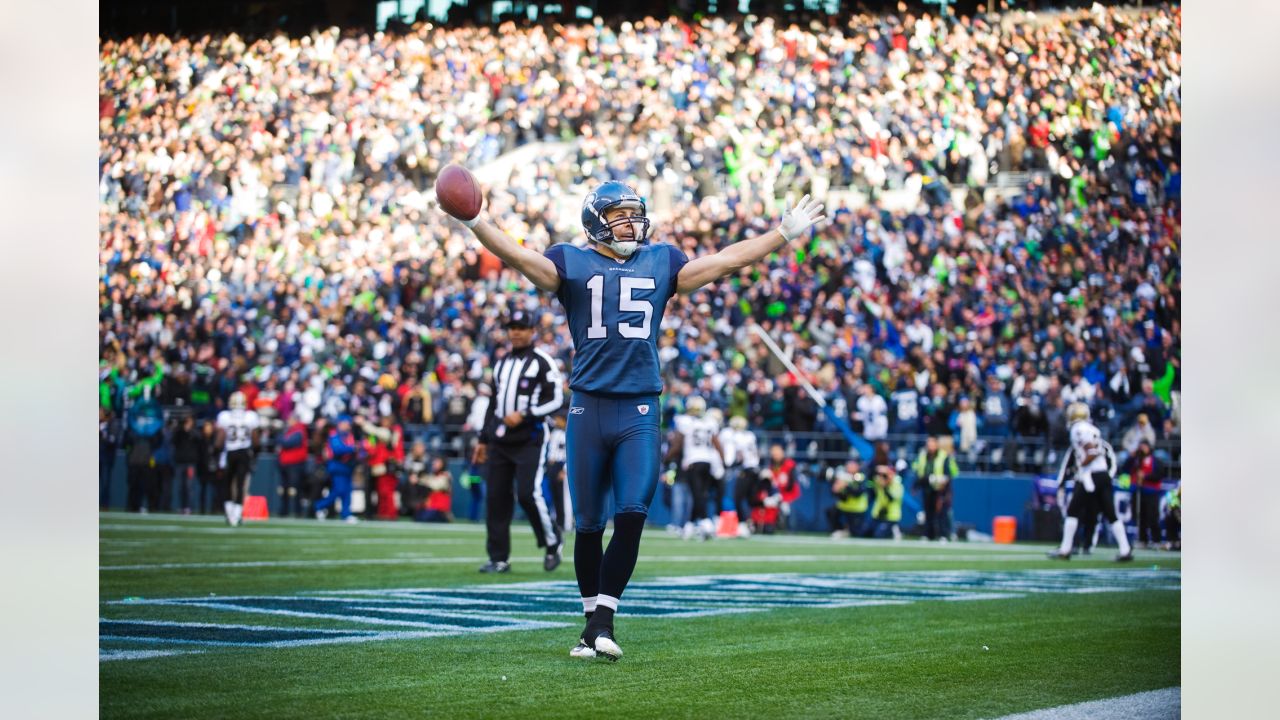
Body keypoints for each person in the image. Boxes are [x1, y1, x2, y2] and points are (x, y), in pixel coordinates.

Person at [451, 179, 824, 661]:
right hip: (588, 405)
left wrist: (780, 235)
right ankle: (591, 624)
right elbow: (522, 259)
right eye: (619, 215)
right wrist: (477, 221)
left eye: (634, 213)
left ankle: (604, 621)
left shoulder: (661, 260)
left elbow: (725, 261)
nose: (631, 222)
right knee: (587, 525)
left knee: (632, 514)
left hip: (640, 406)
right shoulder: (570, 260)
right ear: (594, 221)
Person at [473, 309, 566, 574]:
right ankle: (499, 558)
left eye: (521, 327)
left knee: (528, 494)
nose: (515, 332)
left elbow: (556, 400)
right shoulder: (501, 362)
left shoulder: (543, 361)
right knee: (496, 498)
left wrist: (526, 413)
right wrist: (483, 438)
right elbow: (494, 402)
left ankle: (552, 541)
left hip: (531, 437)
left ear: (532, 331)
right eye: (512, 327)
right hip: (501, 440)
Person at [1049, 403, 1133, 561]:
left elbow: (1092, 450)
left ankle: (1065, 549)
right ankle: (1125, 549)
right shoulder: (1092, 428)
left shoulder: (1078, 429)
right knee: (1110, 513)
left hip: (1090, 475)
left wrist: (1082, 464)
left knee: (1073, 510)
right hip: (1102, 475)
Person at [664, 396, 724, 541]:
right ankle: (689, 526)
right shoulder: (710, 422)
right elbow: (718, 444)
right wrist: (723, 461)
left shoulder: (684, 421)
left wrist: (666, 459)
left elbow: (677, 445)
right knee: (700, 493)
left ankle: (706, 523)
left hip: (693, 461)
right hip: (708, 462)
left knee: (697, 494)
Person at [216, 391, 261, 526]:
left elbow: (220, 439)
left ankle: (229, 512)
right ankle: (237, 513)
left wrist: (215, 452)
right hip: (244, 452)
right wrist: (255, 453)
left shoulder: (225, 417)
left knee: (227, 483)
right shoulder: (250, 417)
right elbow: (255, 439)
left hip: (229, 452)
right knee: (241, 484)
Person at [719, 414, 760, 538]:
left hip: (745, 470)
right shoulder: (750, 435)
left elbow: (736, 456)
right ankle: (749, 523)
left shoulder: (736, 436)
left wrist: (729, 464)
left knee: (738, 498)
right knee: (749, 499)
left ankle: (743, 525)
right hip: (755, 468)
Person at [912, 436, 960, 542]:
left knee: (942, 512)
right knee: (928, 512)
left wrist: (942, 481)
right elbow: (918, 470)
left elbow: (949, 473)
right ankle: (929, 534)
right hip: (927, 487)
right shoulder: (923, 455)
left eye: (932, 443)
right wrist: (916, 485)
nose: (930, 445)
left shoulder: (943, 456)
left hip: (940, 489)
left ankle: (944, 534)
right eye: (929, 443)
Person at [314, 415, 360, 523]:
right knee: (339, 490)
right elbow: (337, 449)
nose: (348, 426)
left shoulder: (349, 435)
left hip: (348, 467)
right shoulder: (334, 435)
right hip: (337, 466)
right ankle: (319, 506)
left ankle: (346, 513)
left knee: (347, 491)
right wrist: (353, 448)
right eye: (346, 424)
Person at [277, 412, 309, 518]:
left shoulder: (299, 430)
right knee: (284, 488)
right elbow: (281, 440)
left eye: (290, 419)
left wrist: (282, 440)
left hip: (295, 463)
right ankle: (283, 510)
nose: (288, 421)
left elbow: (288, 443)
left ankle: (297, 511)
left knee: (295, 489)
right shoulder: (288, 430)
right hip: (285, 463)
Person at [827, 459, 869, 538]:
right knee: (831, 512)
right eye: (848, 466)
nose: (849, 468)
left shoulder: (860, 476)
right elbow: (835, 493)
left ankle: (848, 531)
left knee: (857, 533)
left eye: (852, 466)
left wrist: (846, 486)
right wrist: (836, 489)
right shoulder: (842, 476)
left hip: (857, 509)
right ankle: (839, 530)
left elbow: (858, 492)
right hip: (844, 506)